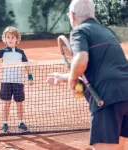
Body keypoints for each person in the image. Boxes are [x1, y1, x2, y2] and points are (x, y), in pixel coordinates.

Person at [46, 0, 128, 150]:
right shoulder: (106, 32)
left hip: (106, 99)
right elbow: (100, 70)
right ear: (93, 13)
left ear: (72, 15)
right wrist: (64, 77)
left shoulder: (79, 31)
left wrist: (72, 82)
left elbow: (82, 59)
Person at [0, 26, 33, 133]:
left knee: (19, 103)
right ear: (5, 39)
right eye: (8, 37)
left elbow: (26, 65)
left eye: (13, 37)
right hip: (6, 82)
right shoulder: (3, 51)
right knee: (6, 103)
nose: (10, 39)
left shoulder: (20, 52)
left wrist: (30, 76)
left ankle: (21, 122)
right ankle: (5, 124)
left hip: (18, 82)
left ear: (17, 39)